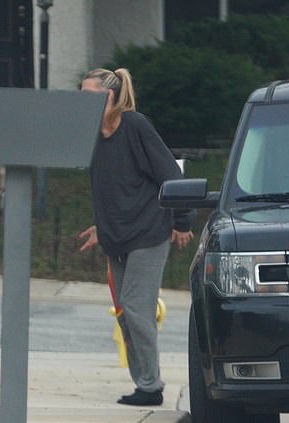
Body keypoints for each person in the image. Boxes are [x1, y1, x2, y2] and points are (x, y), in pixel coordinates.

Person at [78, 68, 194, 406]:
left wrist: (183, 220)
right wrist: (102, 228)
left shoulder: (135, 126)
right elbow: (113, 187)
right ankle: (143, 383)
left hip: (148, 232)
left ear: (110, 96)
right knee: (125, 312)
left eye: (89, 94)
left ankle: (151, 385)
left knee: (136, 307)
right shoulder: (93, 136)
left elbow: (170, 174)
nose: (82, 101)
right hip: (118, 237)